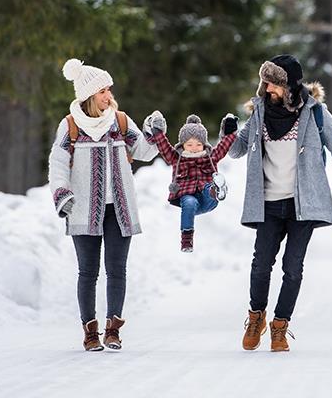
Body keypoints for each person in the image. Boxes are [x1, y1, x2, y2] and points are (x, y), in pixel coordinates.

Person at [229, 54, 332, 352]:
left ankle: (280, 326)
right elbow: (237, 150)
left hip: (301, 205)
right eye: (265, 83)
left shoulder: (316, 113)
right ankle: (256, 317)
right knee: (260, 265)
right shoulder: (259, 112)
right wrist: (227, 133)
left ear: (289, 85)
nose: (267, 89)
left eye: (273, 84)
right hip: (267, 203)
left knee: (293, 268)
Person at [48, 58, 159, 352]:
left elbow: (145, 151)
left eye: (109, 90)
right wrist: (62, 194)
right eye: (102, 91)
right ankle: (90, 332)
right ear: (88, 95)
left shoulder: (119, 121)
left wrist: (155, 132)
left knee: (117, 270)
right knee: (87, 272)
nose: (108, 95)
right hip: (83, 209)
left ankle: (113, 331)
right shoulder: (70, 126)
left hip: (118, 210)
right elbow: (58, 163)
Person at [143, 112, 238, 252]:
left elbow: (224, 146)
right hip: (188, 199)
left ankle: (216, 190)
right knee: (189, 201)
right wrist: (157, 131)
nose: (194, 148)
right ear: (183, 145)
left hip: (208, 200)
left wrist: (230, 130)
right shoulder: (176, 158)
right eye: (190, 144)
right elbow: (163, 146)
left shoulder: (210, 157)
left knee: (208, 187)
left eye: (199, 144)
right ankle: (187, 240)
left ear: (204, 144)